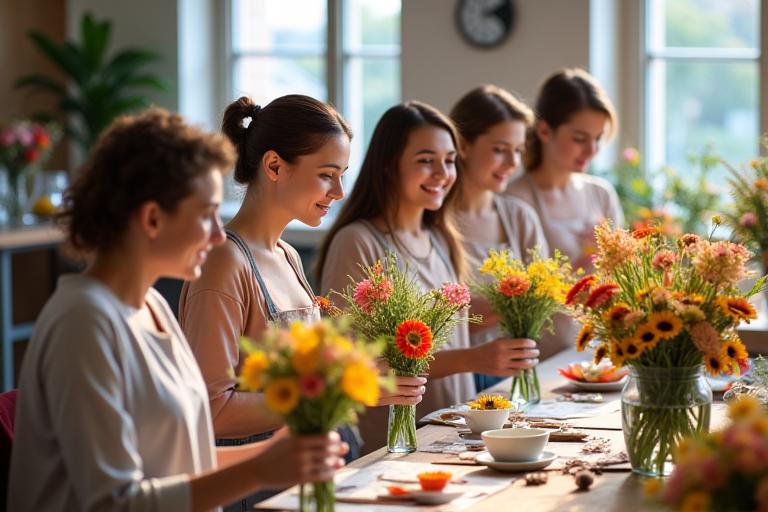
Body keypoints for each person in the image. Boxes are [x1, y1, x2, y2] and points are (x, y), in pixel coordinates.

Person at [8, 108, 348, 512]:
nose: (220, 234)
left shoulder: (150, 306)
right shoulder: (83, 322)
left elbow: (180, 465)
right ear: (152, 218)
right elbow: (110, 504)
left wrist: (268, 459)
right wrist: (256, 471)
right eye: (206, 215)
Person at [178, 96, 426, 474]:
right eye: (327, 174)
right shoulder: (223, 262)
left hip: (302, 474)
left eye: (342, 174)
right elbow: (211, 409)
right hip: (252, 486)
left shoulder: (289, 257)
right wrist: (340, 390)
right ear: (275, 165)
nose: (339, 191)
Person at [315, 101, 539, 453]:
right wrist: (471, 358)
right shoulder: (357, 242)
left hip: (457, 437)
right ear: (388, 166)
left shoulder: (442, 238)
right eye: (425, 160)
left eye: (449, 160)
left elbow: (452, 331)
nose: (442, 173)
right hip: (393, 446)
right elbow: (356, 364)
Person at [506, 68, 625, 353]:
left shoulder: (601, 193)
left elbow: (622, 281)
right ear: (545, 130)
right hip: (539, 356)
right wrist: (584, 265)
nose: (592, 149)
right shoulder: (515, 199)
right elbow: (515, 297)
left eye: (598, 138)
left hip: (600, 352)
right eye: (580, 138)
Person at [449, 85, 551, 391]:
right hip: (450, 380)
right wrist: (509, 304)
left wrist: (485, 309)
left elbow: (543, 296)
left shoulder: (520, 217)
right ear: (463, 146)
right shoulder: (431, 221)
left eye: (518, 151)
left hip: (512, 376)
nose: (512, 163)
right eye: (499, 149)